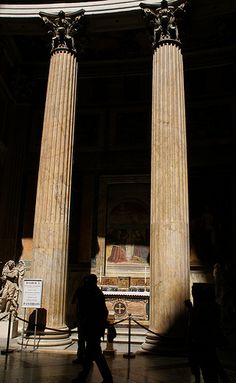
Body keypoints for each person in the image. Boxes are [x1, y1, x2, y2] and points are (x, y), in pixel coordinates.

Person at [71, 274, 113, 383]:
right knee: (90, 355)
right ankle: (83, 376)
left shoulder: (95, 294)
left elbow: (102, 312)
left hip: (92, 328)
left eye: (88, 281)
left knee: (96, 355)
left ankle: (107, 378)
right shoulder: (93, 293)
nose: (86, 283)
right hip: (91, 327)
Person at [187, 285, 229, 383]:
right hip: (206, 341)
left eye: (195, 293)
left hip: (203, 341)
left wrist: (191, 309)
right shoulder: (213, 306)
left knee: (209, 368)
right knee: (213, 363)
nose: (194, 295)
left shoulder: (204, 308)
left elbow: (197, 323)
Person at [72, 275, 89, 364]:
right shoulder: (96, 291)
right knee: (89, 340)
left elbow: (73, 301)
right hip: (90, 318)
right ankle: (87, 358)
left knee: (81, 339)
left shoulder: (80, 290)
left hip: (82, 317)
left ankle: (80, 357)